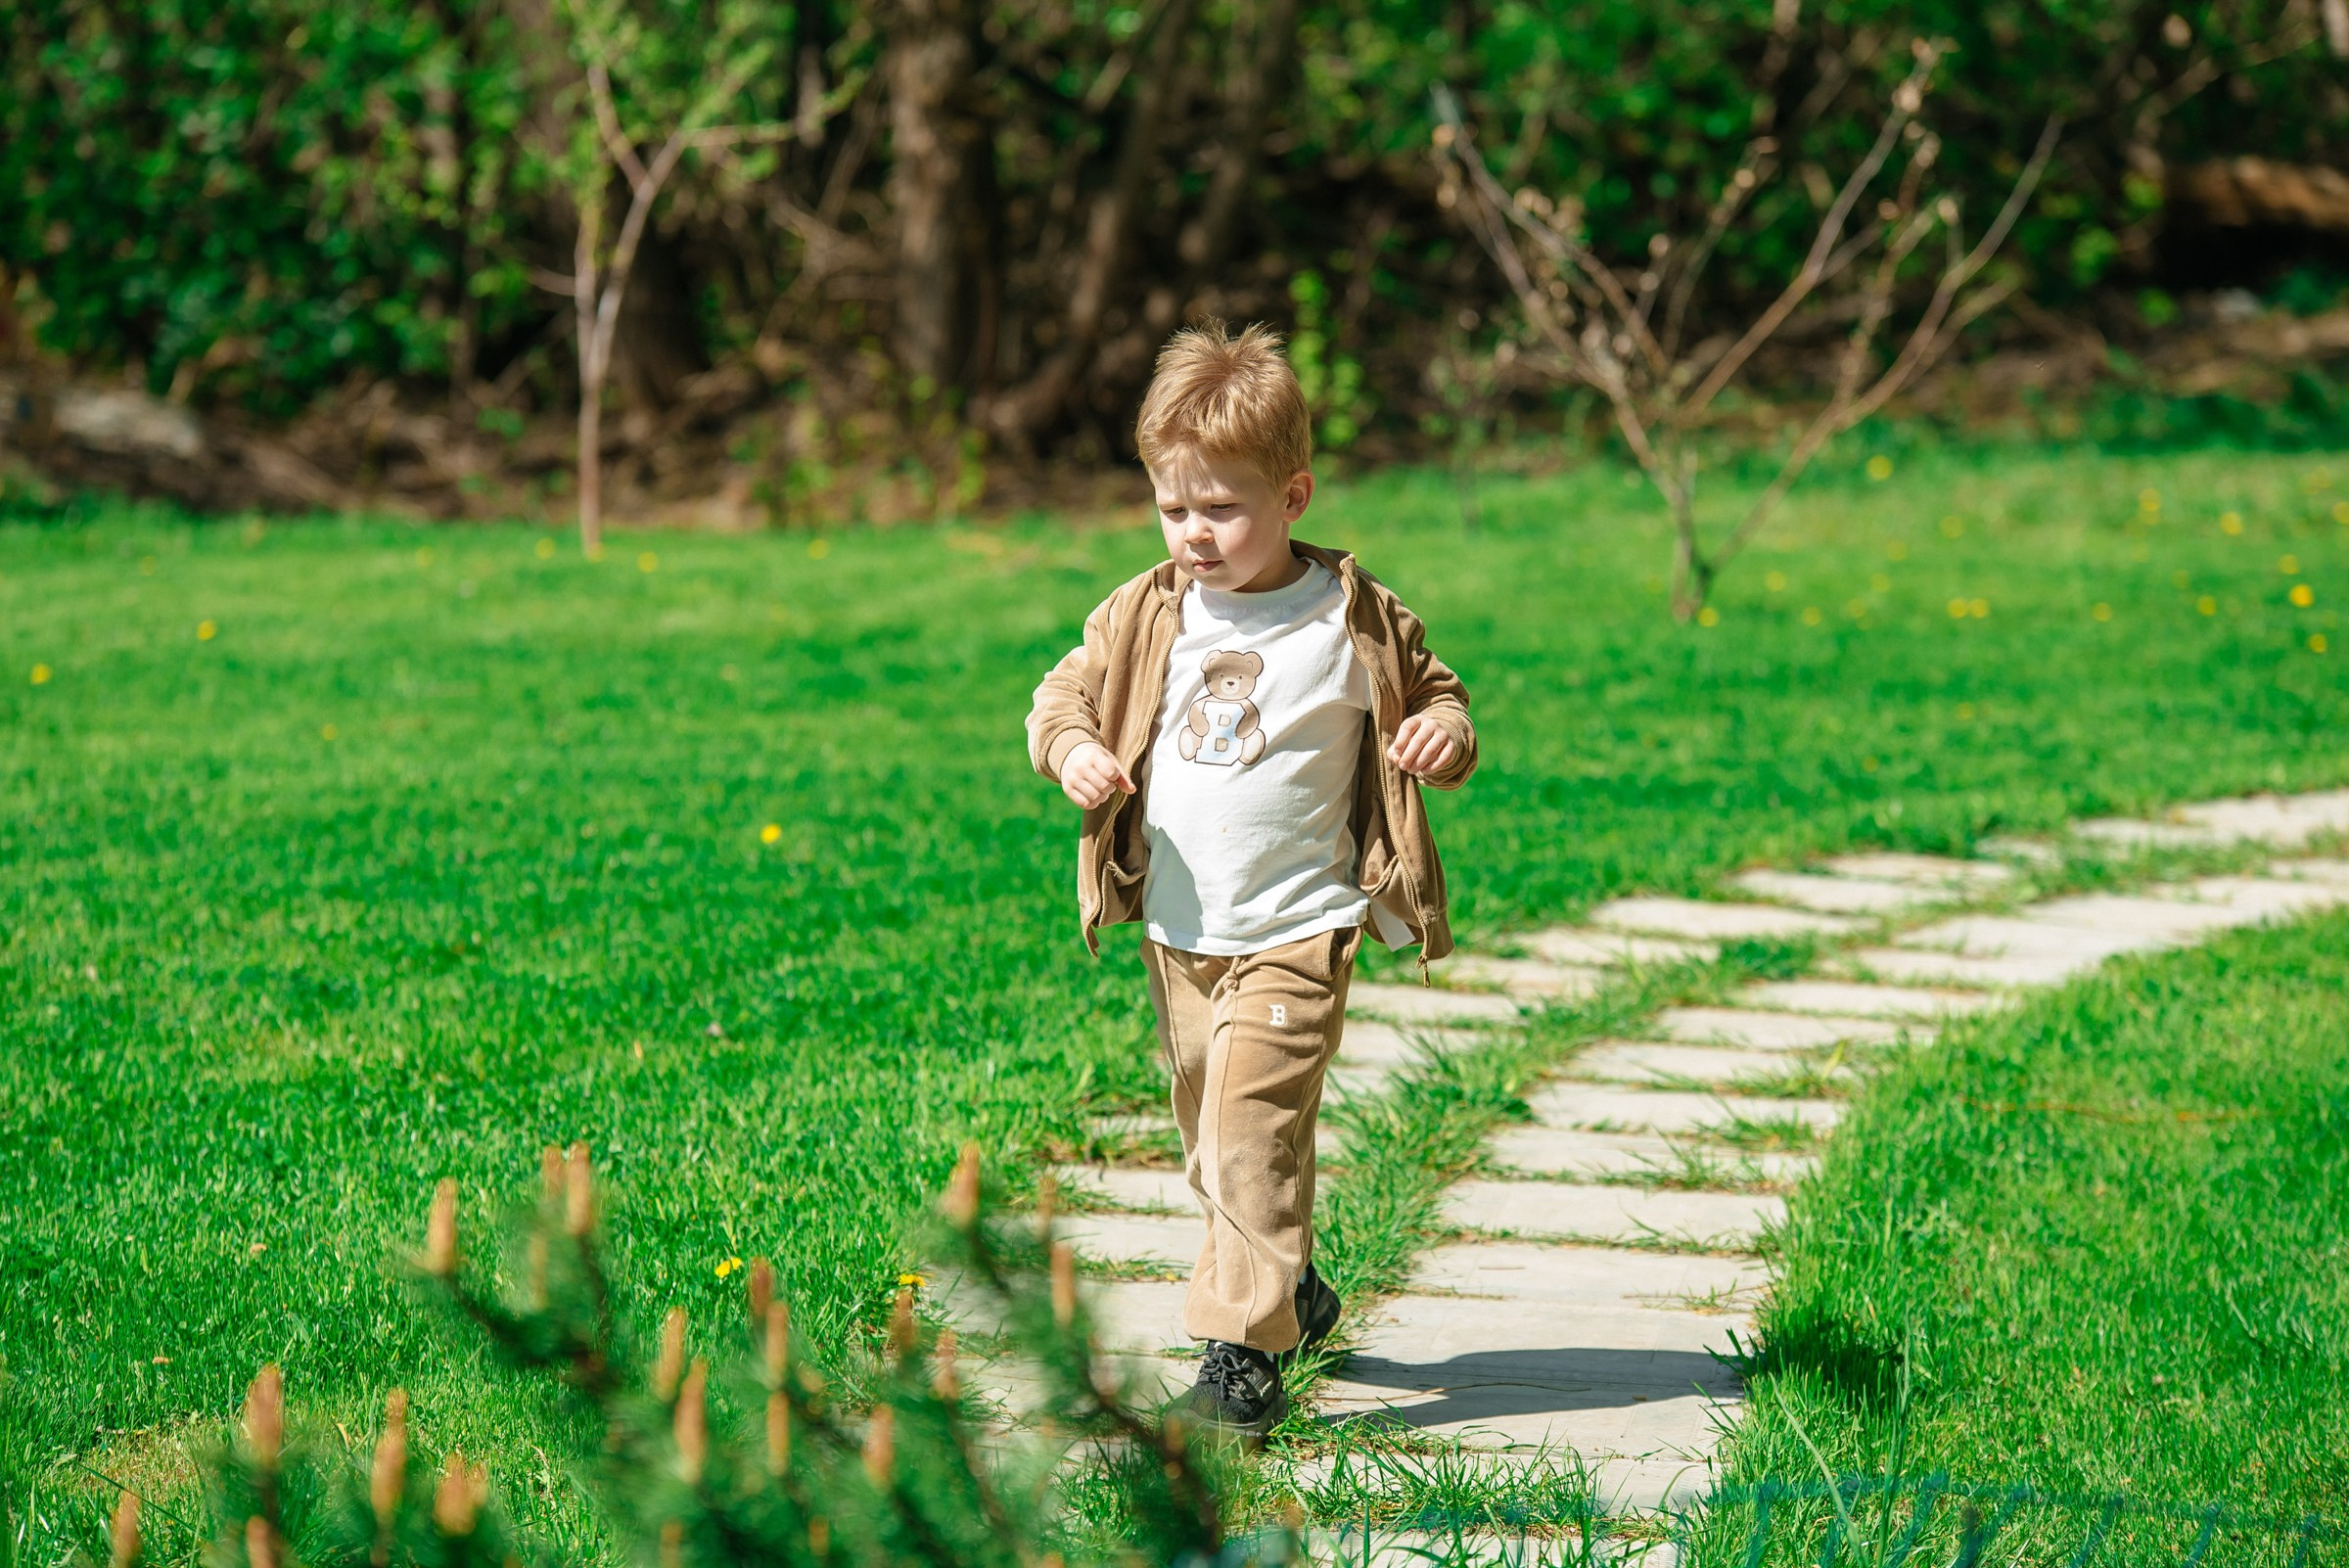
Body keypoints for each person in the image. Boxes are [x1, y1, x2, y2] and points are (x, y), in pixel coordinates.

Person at [1025, 321, 1478, 1439]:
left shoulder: (1349, 617)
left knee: (1245, 1130)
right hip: (1181, 930)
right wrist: (1073, 752)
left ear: (1295, 494)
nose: (1195, 532)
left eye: (1221, 509)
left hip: (1301, 924)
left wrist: (1440, 739)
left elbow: (1440, 699)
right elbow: (1060, 698)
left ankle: (1239, 1353)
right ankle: (1298, 1290)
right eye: (1174, 508)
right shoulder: (1147, 613)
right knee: (1212, 1137)